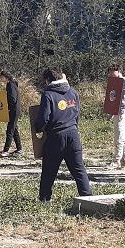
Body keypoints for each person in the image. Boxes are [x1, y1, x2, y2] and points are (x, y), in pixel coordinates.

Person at [34, 67, 92, 202]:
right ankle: (88, 198)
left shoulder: (48, 95)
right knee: (79, 170)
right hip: (73, 135)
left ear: (48, 80)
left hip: (55, 137)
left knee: (49, 170)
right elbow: (77, 114)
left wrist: (38, 128)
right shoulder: (73, 92)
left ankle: (45, 199)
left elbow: (44, 118)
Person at [106, 63, 125, 169]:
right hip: (116, 112)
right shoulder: (113, 81)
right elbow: (113, 100)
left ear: (119, 71)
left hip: (122, 112)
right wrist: (111, 113)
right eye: (110, 73)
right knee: (121, 136)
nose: (111, 74)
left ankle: (117, 160)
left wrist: (116, 94)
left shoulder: (124, 80)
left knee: (118, 138)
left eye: (113, 72)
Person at [0, 70, 22, 157]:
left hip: (14, 110)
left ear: (6, 77)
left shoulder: (11, 85)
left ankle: (6, 150)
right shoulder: (10, 85)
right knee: (14, 130)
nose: (0, 78)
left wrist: (4, 104)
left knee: (10, 130)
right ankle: (19, 149)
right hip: (13, 110)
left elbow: (12, 99)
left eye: (2, 77)